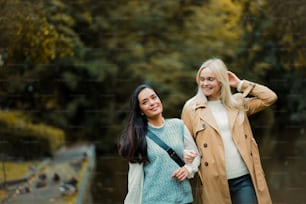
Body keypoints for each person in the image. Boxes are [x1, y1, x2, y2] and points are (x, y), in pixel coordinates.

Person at [181, 58, 277, 204]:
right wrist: (186, 154)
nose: (205, 83)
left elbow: (270, 98)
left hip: (243, 179)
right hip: (213, 182)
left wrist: (240, 84)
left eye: (210, 79)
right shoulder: (191, 108)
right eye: (202, 79)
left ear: (221, 81)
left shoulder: (238, 103)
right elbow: (185, 142)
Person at [119, 84, 200, 204]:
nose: (152, 103)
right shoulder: (138, 137)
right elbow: (135, 181)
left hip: (184, 199)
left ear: (159, 99)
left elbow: (196, 155)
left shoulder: (178, 125)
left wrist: (188, 169)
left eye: (153, 97)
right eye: (145, 102)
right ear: (140, 111)